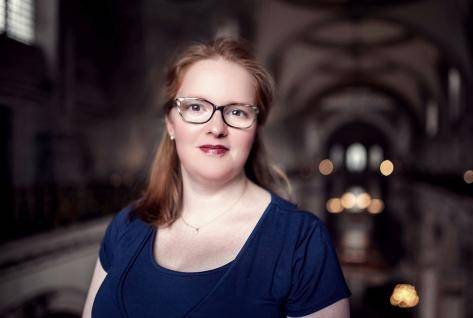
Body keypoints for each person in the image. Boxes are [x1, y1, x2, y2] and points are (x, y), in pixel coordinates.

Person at [82, 37, 351, 318]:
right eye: (196, 107)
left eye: (236, 111)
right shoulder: (126, 225)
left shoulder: (301, 241)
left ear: (256, 128)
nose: (216, 127)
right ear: (171, 123)